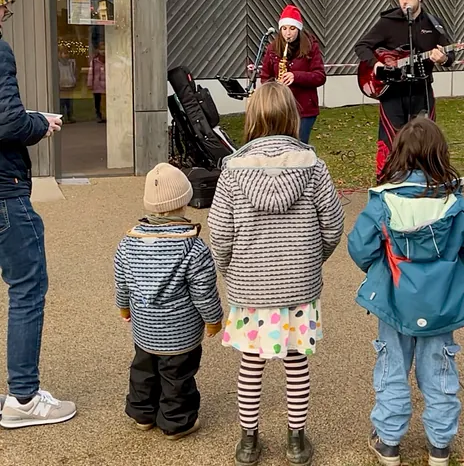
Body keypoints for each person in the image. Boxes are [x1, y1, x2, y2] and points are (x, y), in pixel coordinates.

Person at [208, 81, 344, 466]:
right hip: (298, 287)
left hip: (251, 286)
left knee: (251, 364)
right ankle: (296, 442)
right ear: (292, 117)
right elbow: (333, 226)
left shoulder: (233, 172)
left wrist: (227, 268)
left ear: (252, 119)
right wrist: (312, 260)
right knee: (296, 362)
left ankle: (248, 441)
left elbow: (220, 232)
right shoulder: (313, 168)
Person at [348, 117, 464, 466]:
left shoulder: (383, 201)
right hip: (442, 303)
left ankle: (389, 440)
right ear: (440, 156)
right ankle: (440, 444)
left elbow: (360, 247)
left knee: (392, 366)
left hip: (394, 300)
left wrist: (377, 267)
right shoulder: (456, 204)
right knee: (440, 370)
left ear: (399, 156)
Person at [0, 0, 76, 428]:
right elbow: (7, 124)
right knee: (28, 288)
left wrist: (25, 115)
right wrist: (39, 125)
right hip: (4, 191)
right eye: (5, 5)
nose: (7, 14)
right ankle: (24, 399)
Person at [114, 163, 224, 440]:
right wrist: (213, 320)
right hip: (180, 331)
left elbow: (122, 281)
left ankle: (142, 413)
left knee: (143, 369)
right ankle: (177, 422)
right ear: (184, 201)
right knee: (177, 375)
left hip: (145, 328)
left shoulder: (128, 243)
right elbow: (203, 291)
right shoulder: (193, 247)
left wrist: (124, 306)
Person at [354, 0, 455, 180]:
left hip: (422, 89)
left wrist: (442, 58)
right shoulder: (388, 22)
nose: (404, 1)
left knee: (424, 135)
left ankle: (426, 178)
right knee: (392, 138)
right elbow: (361, 46)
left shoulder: (433, 24)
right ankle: (388, 179)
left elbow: (449, 53)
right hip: (392, 92)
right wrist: (376, 64)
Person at [260, 5, 326, 144]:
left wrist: (296, 76)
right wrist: (274, 84)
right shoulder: (272, 48)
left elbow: (320, 76)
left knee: (299, 146)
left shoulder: (310, 46)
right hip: (279, 107)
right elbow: (265, 77)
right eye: (284, 29)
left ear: (299, 29)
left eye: (292, 28)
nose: (288, 34)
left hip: (304, 108)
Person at [87, 41, 106, 123]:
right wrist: (90, 84)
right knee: (97, 101)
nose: (103, 51)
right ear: (98, 50)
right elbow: (91, 73)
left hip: (107, 84)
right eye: (101, 49)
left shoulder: (110, 60)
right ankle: (99, 115)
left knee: (106, 101)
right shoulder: (94, 61)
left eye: (104, 49)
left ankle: (106, 115)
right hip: (97, 85)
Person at [58, 45, 77, 123]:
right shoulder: (57, 63)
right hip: (61, 85)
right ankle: (62, 117)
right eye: (64, 53)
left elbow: (74, 72)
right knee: (61, 102)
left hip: (70, 84)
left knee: (69, 103)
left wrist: (74, 80)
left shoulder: (71, 63)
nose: (66, 55)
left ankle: (70, 116)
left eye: (67, 53)